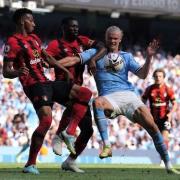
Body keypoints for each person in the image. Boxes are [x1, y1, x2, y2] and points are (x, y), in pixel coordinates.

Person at [56, 26, 179, 174]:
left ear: (120, 39)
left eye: (115, 38)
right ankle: (107, 145)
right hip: (109, 97)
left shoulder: (126, 56)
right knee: (97, 102)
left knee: (153, 127)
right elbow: (73, 59)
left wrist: (149, 56)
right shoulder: (94, 53)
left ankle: (167, 164)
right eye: (110, 38)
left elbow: (142, 75)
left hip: (129, 96)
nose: (112, 41)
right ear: (105, 37)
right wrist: (50, 64)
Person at [3, 8, 92, 174]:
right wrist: (17, 72)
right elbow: (6, 71)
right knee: (46, 121)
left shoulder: (35, 38)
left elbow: (47, 57)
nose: (35, 24)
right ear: (23, 21)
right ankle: (30, 164)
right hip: (33, 85)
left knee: (85, 93)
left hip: (47, 82)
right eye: (32, 20)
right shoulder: (12, 43)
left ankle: (69, 132)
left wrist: (63, 70)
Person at [46, 17, 106, 172]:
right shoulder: (55, 44)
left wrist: (93, 58)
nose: (75, 29)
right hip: (62, 85)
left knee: (88, 130)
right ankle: (65, 133)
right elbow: (45, 61)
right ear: (63, 27)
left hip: (77, 89)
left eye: (77, 26)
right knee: (87, 93)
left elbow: (101, 46)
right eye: (72, 26)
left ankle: (70, 161)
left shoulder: (82, 41)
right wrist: (62, 66)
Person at [142, 68, 177, 166]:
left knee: (164, 138)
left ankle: (164, 161)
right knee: (158, 141)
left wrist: (171, 114)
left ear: (164, 78)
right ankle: (163, 157)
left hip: (165, 118)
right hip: (153, 119)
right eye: (156, 76)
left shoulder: (168, 89)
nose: (158, 78)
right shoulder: (149, 89)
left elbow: (175, 104)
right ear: (153, 77)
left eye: (160, 76)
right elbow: (143, 101)